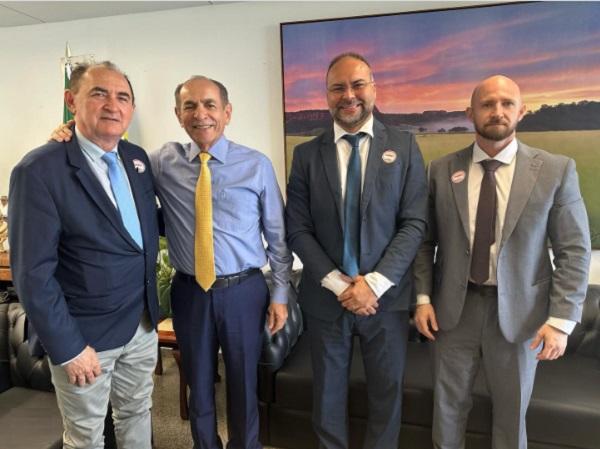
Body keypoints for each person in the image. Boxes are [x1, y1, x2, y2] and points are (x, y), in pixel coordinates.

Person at [51, 75, 292, 449]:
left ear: (226, 113)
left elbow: (278, 237)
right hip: (189, 291)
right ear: (178, 115)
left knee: (244, 384)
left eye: (210, 105)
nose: (201, 114)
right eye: (190, 106)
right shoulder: (162, 161)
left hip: (244, 290)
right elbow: (111, 158)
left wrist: (279, 293)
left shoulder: (256, 165)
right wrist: (70, 131)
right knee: (198, 382)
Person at [413, 75, 591, 449]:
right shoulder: (441, 170)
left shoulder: (556, 170)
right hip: (452, 311)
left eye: (507, 103)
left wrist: (561, 320)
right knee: (447, 409)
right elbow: (423, 240)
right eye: (487, 104)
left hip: (521, 316)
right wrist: (423, 298)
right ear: (470, 112)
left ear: (521, 111)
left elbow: (573, 249)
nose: (497, 111)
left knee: (511, 416)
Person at [9, 61, 159, 449]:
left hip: (141, 326)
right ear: (71, 101)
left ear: (132, 109)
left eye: (122, 97)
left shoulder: (137, 159)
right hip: (85, 337)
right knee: (86, 437)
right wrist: (69, 348)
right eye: (99, 93)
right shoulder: (39, 170)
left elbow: (139, 235)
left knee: (136, 415)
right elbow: (32, 276)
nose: (113, 104)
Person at [285, 52, 428, 449]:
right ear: (327, 95)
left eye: (357, 85)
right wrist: (338, 285)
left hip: (386, 303)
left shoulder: (404, 146)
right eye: (338, 88)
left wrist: (374, 285)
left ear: (373, 89)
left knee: (386, 397)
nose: (348, 95)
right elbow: (297, 229)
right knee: (327, 399)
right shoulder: (306, 155)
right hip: (327, 301)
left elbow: (414, 223)